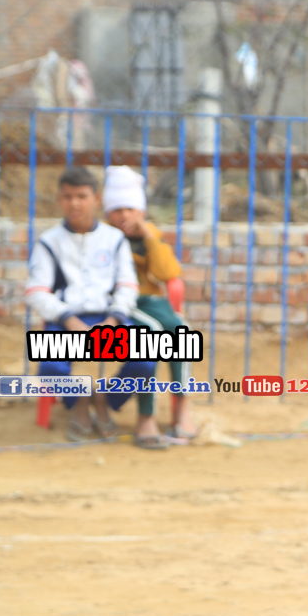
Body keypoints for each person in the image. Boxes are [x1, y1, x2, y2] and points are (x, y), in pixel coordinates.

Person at [25, 167, 162, 448]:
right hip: (66, 319)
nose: (74, 203)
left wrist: (113, 320)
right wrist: (69, 320)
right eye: (67, 196)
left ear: (96, 199)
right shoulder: (49, 241)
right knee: (49, 366)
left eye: (82, 196)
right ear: (59, 199)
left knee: (146, 358)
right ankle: (79, 401)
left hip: (109, 317)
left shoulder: (114, 239)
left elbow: (127, 285)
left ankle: (104, 399)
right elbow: (36, 291)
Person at [103, 165, 198, 442]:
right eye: (117, 210)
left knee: (180, 331)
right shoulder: (104, 237)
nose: (124, 215)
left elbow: (168, 274)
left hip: (150, 300)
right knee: (152, 336)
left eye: (130, 209)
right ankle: (147, 415)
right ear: (107, 213)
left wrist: (149, 237)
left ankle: (182, 407)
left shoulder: (151, 235)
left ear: (141, 211)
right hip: (121, 301)